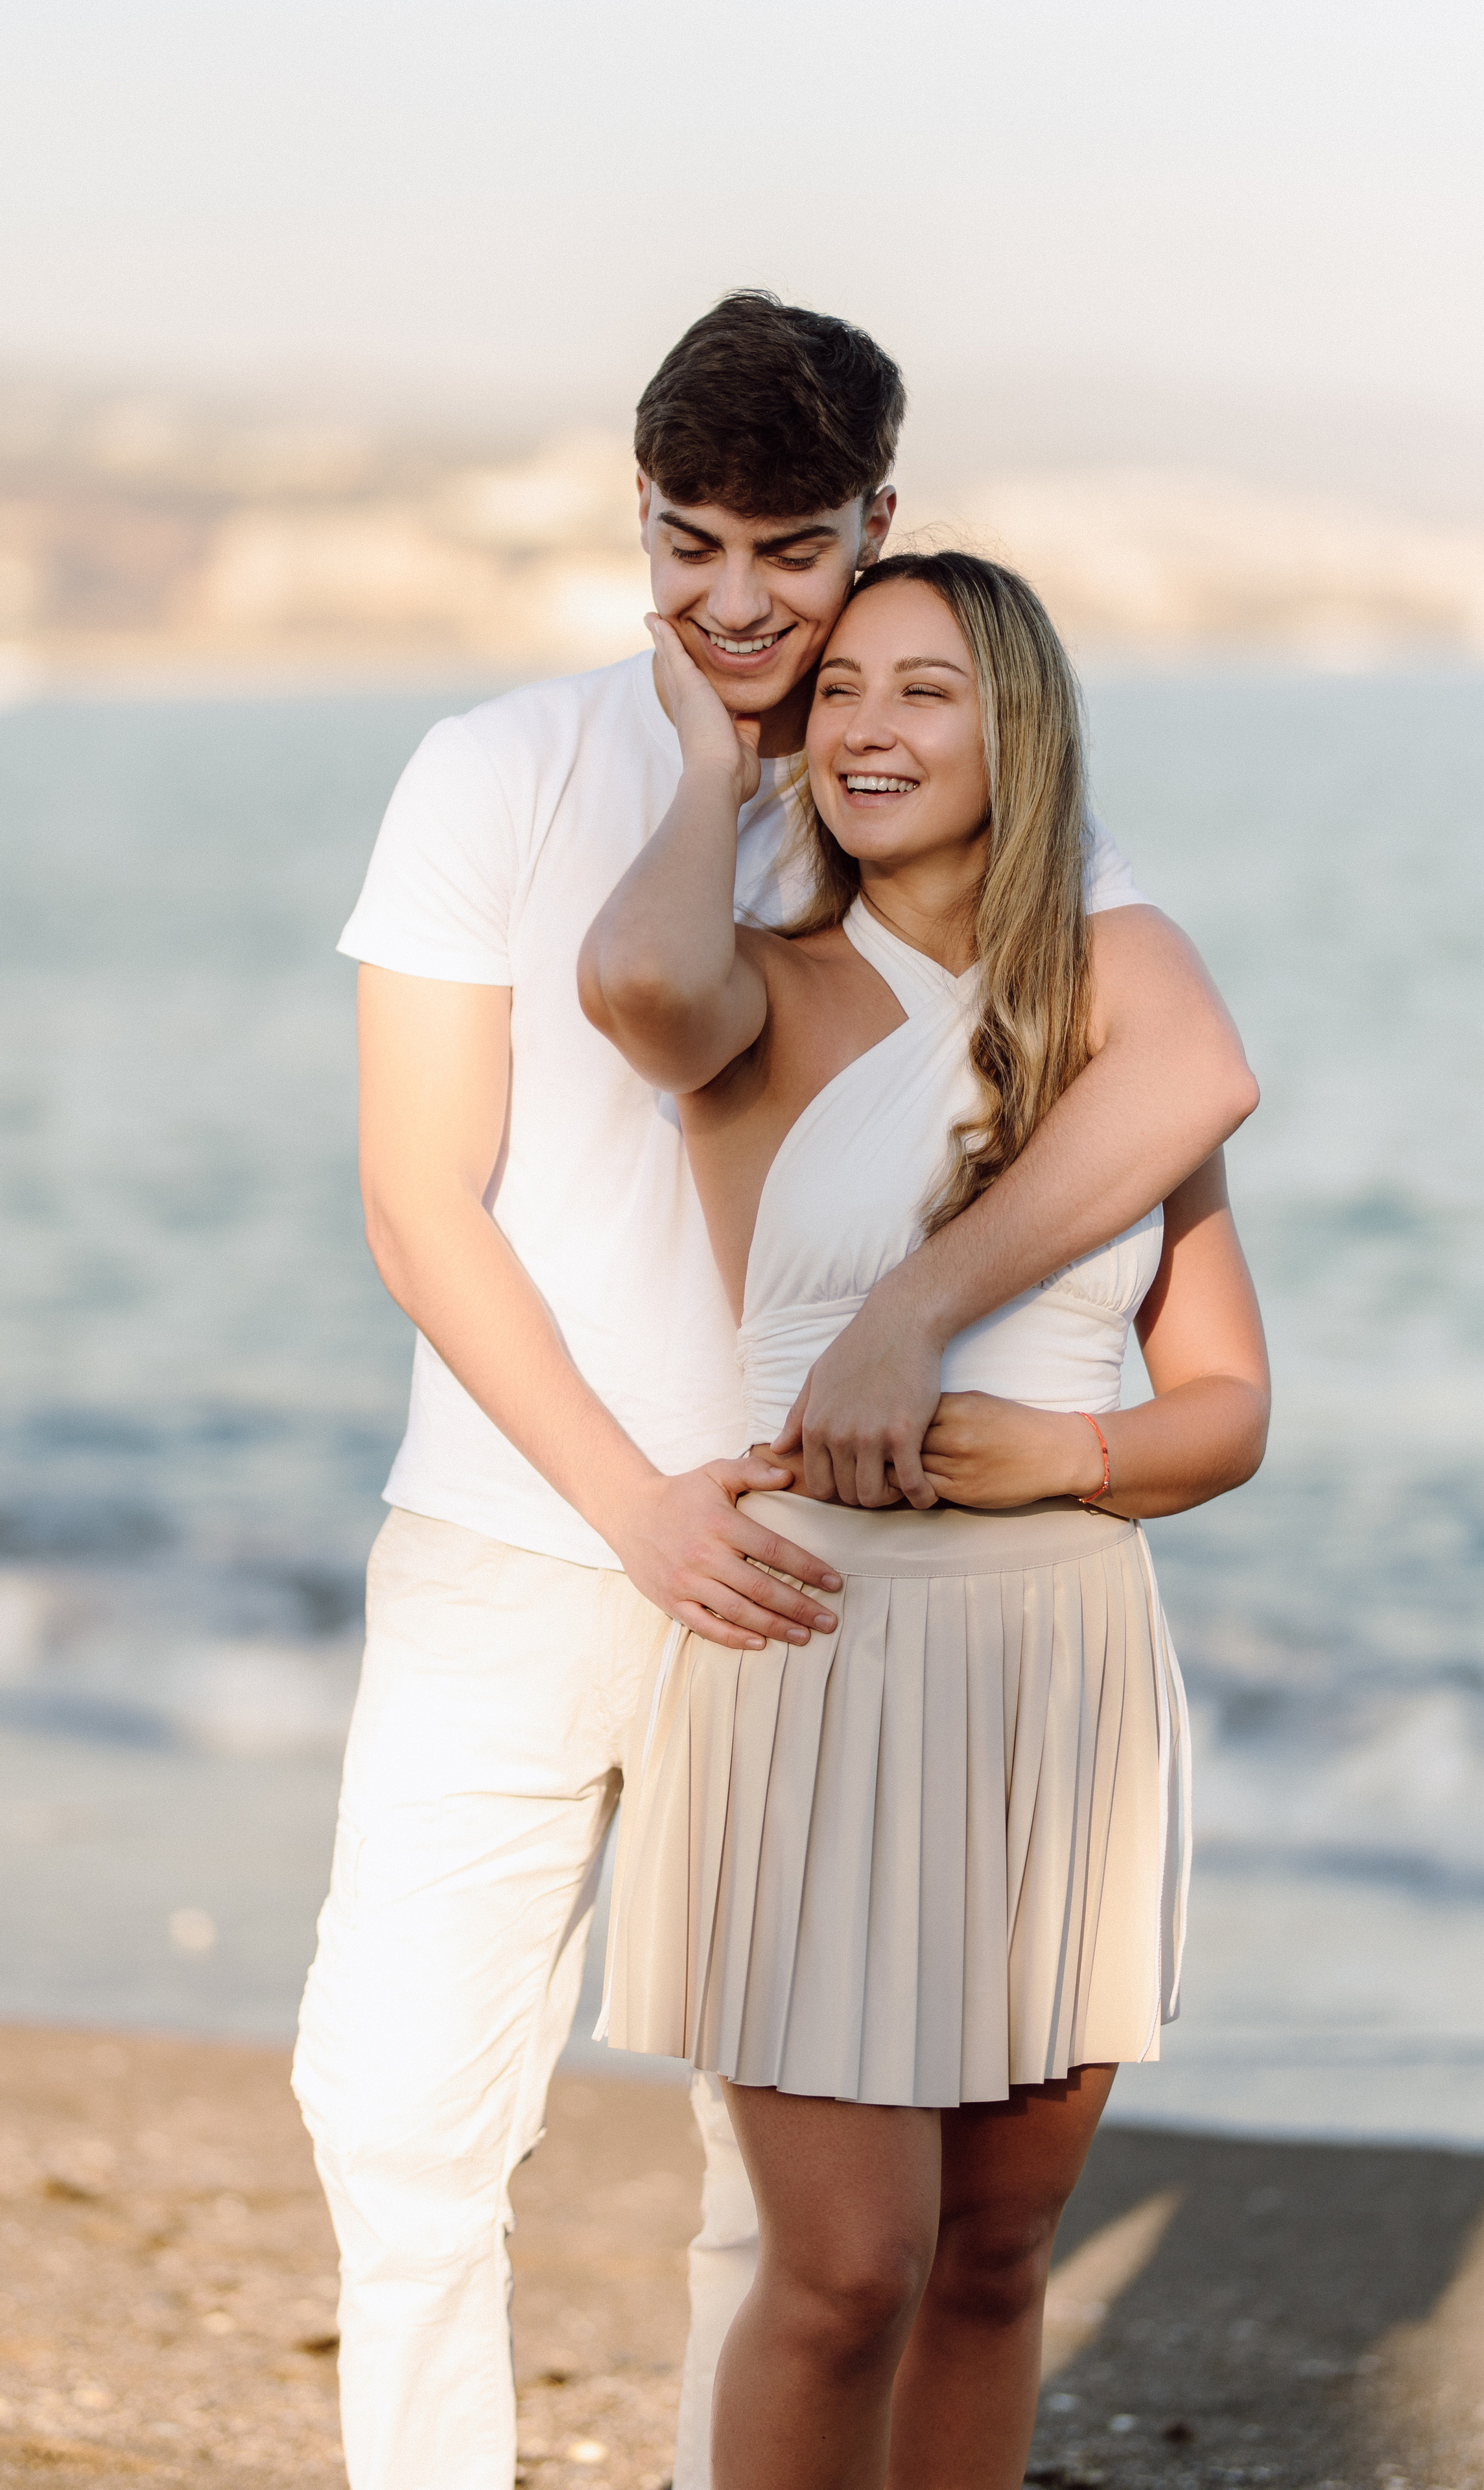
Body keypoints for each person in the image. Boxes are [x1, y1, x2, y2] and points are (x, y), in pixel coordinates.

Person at [293, 294, 1258, 2490]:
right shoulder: (499, 773)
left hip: (829, 1591)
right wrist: (634, 1504)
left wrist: (924, 1332)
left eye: (790, 552)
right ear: (637, 520)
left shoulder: (937, 792)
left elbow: (1177, 1068)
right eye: (687, 545)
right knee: (407, 2110)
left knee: (801, 2218)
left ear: (876, 526)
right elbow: (422, 1199)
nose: (733, 603)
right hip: (530, 1530)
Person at [580, 551, 1270, 2490]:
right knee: (843, 2276)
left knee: (992, 2259)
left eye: (927, 690)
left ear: (1015, 731)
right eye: (843, 690)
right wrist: (711, 755)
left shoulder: (1112, 1018)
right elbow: (637, 983)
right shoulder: (765, 982)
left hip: (1063, 1677)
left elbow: (1227, 1410)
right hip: (819, 1658)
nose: (869, 729)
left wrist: (1065, 1452)